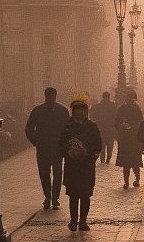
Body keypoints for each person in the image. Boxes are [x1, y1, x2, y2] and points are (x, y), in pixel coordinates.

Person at [59, 95, 102, 232]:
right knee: (73, 195)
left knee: (85, 195)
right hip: (72, 166)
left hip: (87, 165)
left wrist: (91, 155)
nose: (81, 114)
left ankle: (83, 221)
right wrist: (69, 152)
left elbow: (98, 144)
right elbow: (61, 144)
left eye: (83, 111)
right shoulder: (67, 127)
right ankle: (73, 220)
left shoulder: (92, 126)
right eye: (78, 111)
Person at [25, 87, 70, 209]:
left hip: (55, 147)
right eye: (49, 97)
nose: (50, 99)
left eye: (52, 97)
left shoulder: (60, 110)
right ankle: (49, 197)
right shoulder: (43, 111)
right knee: (45, 173)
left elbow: (68, 128)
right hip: (45, 147)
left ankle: (53, 198)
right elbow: (29, 128)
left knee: (56, 173)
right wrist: (35, 141)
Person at [115, 88, 144, 188]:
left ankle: (135, 180)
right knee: (128, 163)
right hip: (128, 139)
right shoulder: (126, 109)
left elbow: (140, 122)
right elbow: (117, 123)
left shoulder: (134, 108)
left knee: (132, 163)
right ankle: (128, 181)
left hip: (130, 139)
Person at [91, 91, 117, 164]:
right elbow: (116, 116)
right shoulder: (112, 105)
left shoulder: (98, 106)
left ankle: (103, 160)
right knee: (109, 146)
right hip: (110, 129)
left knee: (102, 145)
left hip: (101, 129)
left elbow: (92, 115)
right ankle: (107, 160)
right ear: (109, 97)